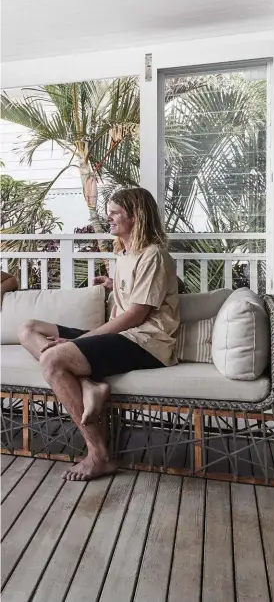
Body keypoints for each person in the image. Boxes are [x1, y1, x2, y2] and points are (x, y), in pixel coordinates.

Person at [18, 188, 180, 481]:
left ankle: (99, 456)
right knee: (28, 328)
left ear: (136, 216)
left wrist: (81, 341)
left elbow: (136, 315)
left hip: (146, 341)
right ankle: (88, 383)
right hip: (124, 334)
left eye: (115, 212)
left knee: (53, 361)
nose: (109, 217)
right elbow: (134, 297)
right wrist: (111, 284)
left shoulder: (153, 255)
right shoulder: (125, 253)